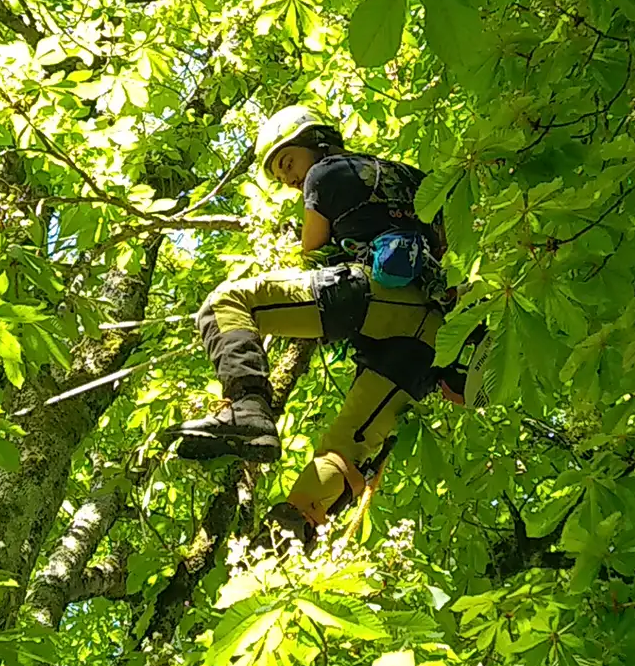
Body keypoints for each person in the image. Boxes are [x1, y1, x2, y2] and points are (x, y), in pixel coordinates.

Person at [172, 107, 454, 533]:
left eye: (287, 164)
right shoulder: (414, 177)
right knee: (347, 448)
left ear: (316, 141)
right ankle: (292, 530)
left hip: (372, 297)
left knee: (226, 303)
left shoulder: (326, 173)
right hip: (430, 335)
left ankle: (248, 407)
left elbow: (312, 253)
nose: (291, 180)